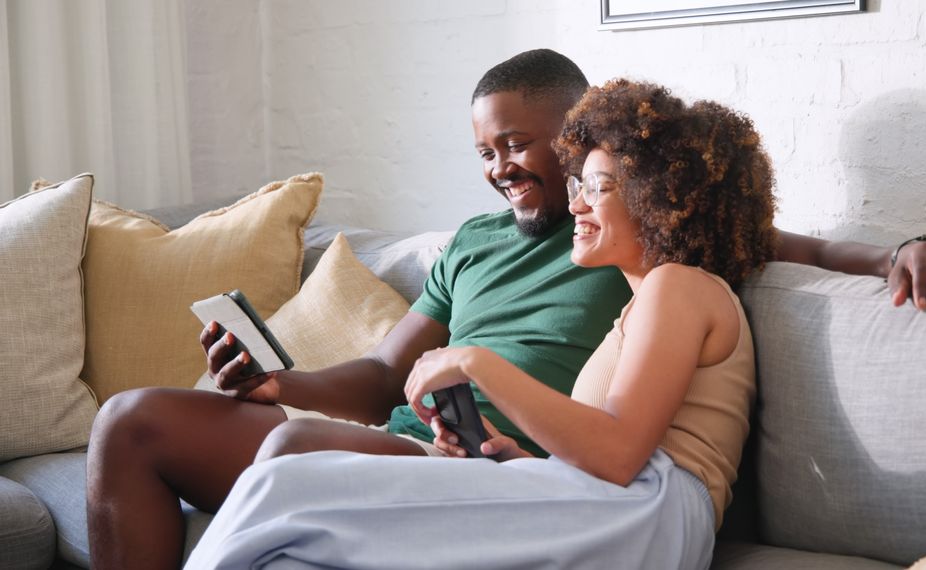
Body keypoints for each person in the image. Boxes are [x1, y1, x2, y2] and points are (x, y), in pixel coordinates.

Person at [86, 49, 926, 569]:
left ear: (583, 147)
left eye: (519, 145)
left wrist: (895, 249)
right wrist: (284, 381)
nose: (499, 168)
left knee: (291, 469)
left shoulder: (661, 257)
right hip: (487, 455)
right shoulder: (486, 246)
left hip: (573, 481)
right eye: (485, 151)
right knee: (138, 423)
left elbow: (770, 240)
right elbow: (384, 375)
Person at [185, 77, 778, 569]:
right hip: (615, 506)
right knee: (295, 546)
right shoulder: (647, 302)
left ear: (659, 198)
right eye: (578, 186)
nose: (575, 205)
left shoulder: (679, 285)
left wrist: (472, 362)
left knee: (285, 486)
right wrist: (507, 457)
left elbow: (621, 454)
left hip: (647, 513)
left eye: (596, 188)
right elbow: (602, 456)